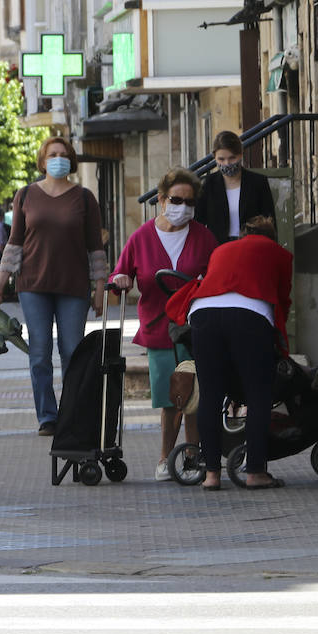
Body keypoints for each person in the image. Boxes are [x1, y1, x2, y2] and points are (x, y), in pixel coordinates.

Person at [0, 136, 107, 435]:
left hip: (74, 287)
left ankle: (72, 413)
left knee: (72, 352)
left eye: (63, 154)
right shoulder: (26, 195)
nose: (58, 158)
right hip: (33, 286)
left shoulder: (84, 198)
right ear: (42, 161)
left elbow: (96, 247)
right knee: (39, 353)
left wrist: (100, 289)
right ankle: (47, 417)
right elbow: (14, 244)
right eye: (52, 154)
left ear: (71, 160)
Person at [165, 216, 292, 490]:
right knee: (258, 394)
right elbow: (283, 299)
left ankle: (211, 474)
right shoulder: (279, 253)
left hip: (204, 313)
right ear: (271, 236)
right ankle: (255, 471)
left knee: (210, 393)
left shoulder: (222, 249)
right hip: (250, 315)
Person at [109, 168, 217, 481]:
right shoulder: (141, 237)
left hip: (194, 327)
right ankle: (165, 457)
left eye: (189, 201)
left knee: (194, 396)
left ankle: (193, 455)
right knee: (171, 399)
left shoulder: (203, 236)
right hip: (158, 329)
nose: (183, 206)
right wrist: (120, 280)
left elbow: (218, 274)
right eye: (176, 199)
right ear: (161, 199)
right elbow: (121, 273)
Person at [193, 130, 276, 245]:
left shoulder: (258, 182)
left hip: (252, 246)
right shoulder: (208, 184)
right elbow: (198, 221)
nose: (227, 163)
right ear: (215, 158)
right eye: (221, 159)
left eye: (232, 158)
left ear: (241, 154)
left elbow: (270, 221)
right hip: (219, 248)